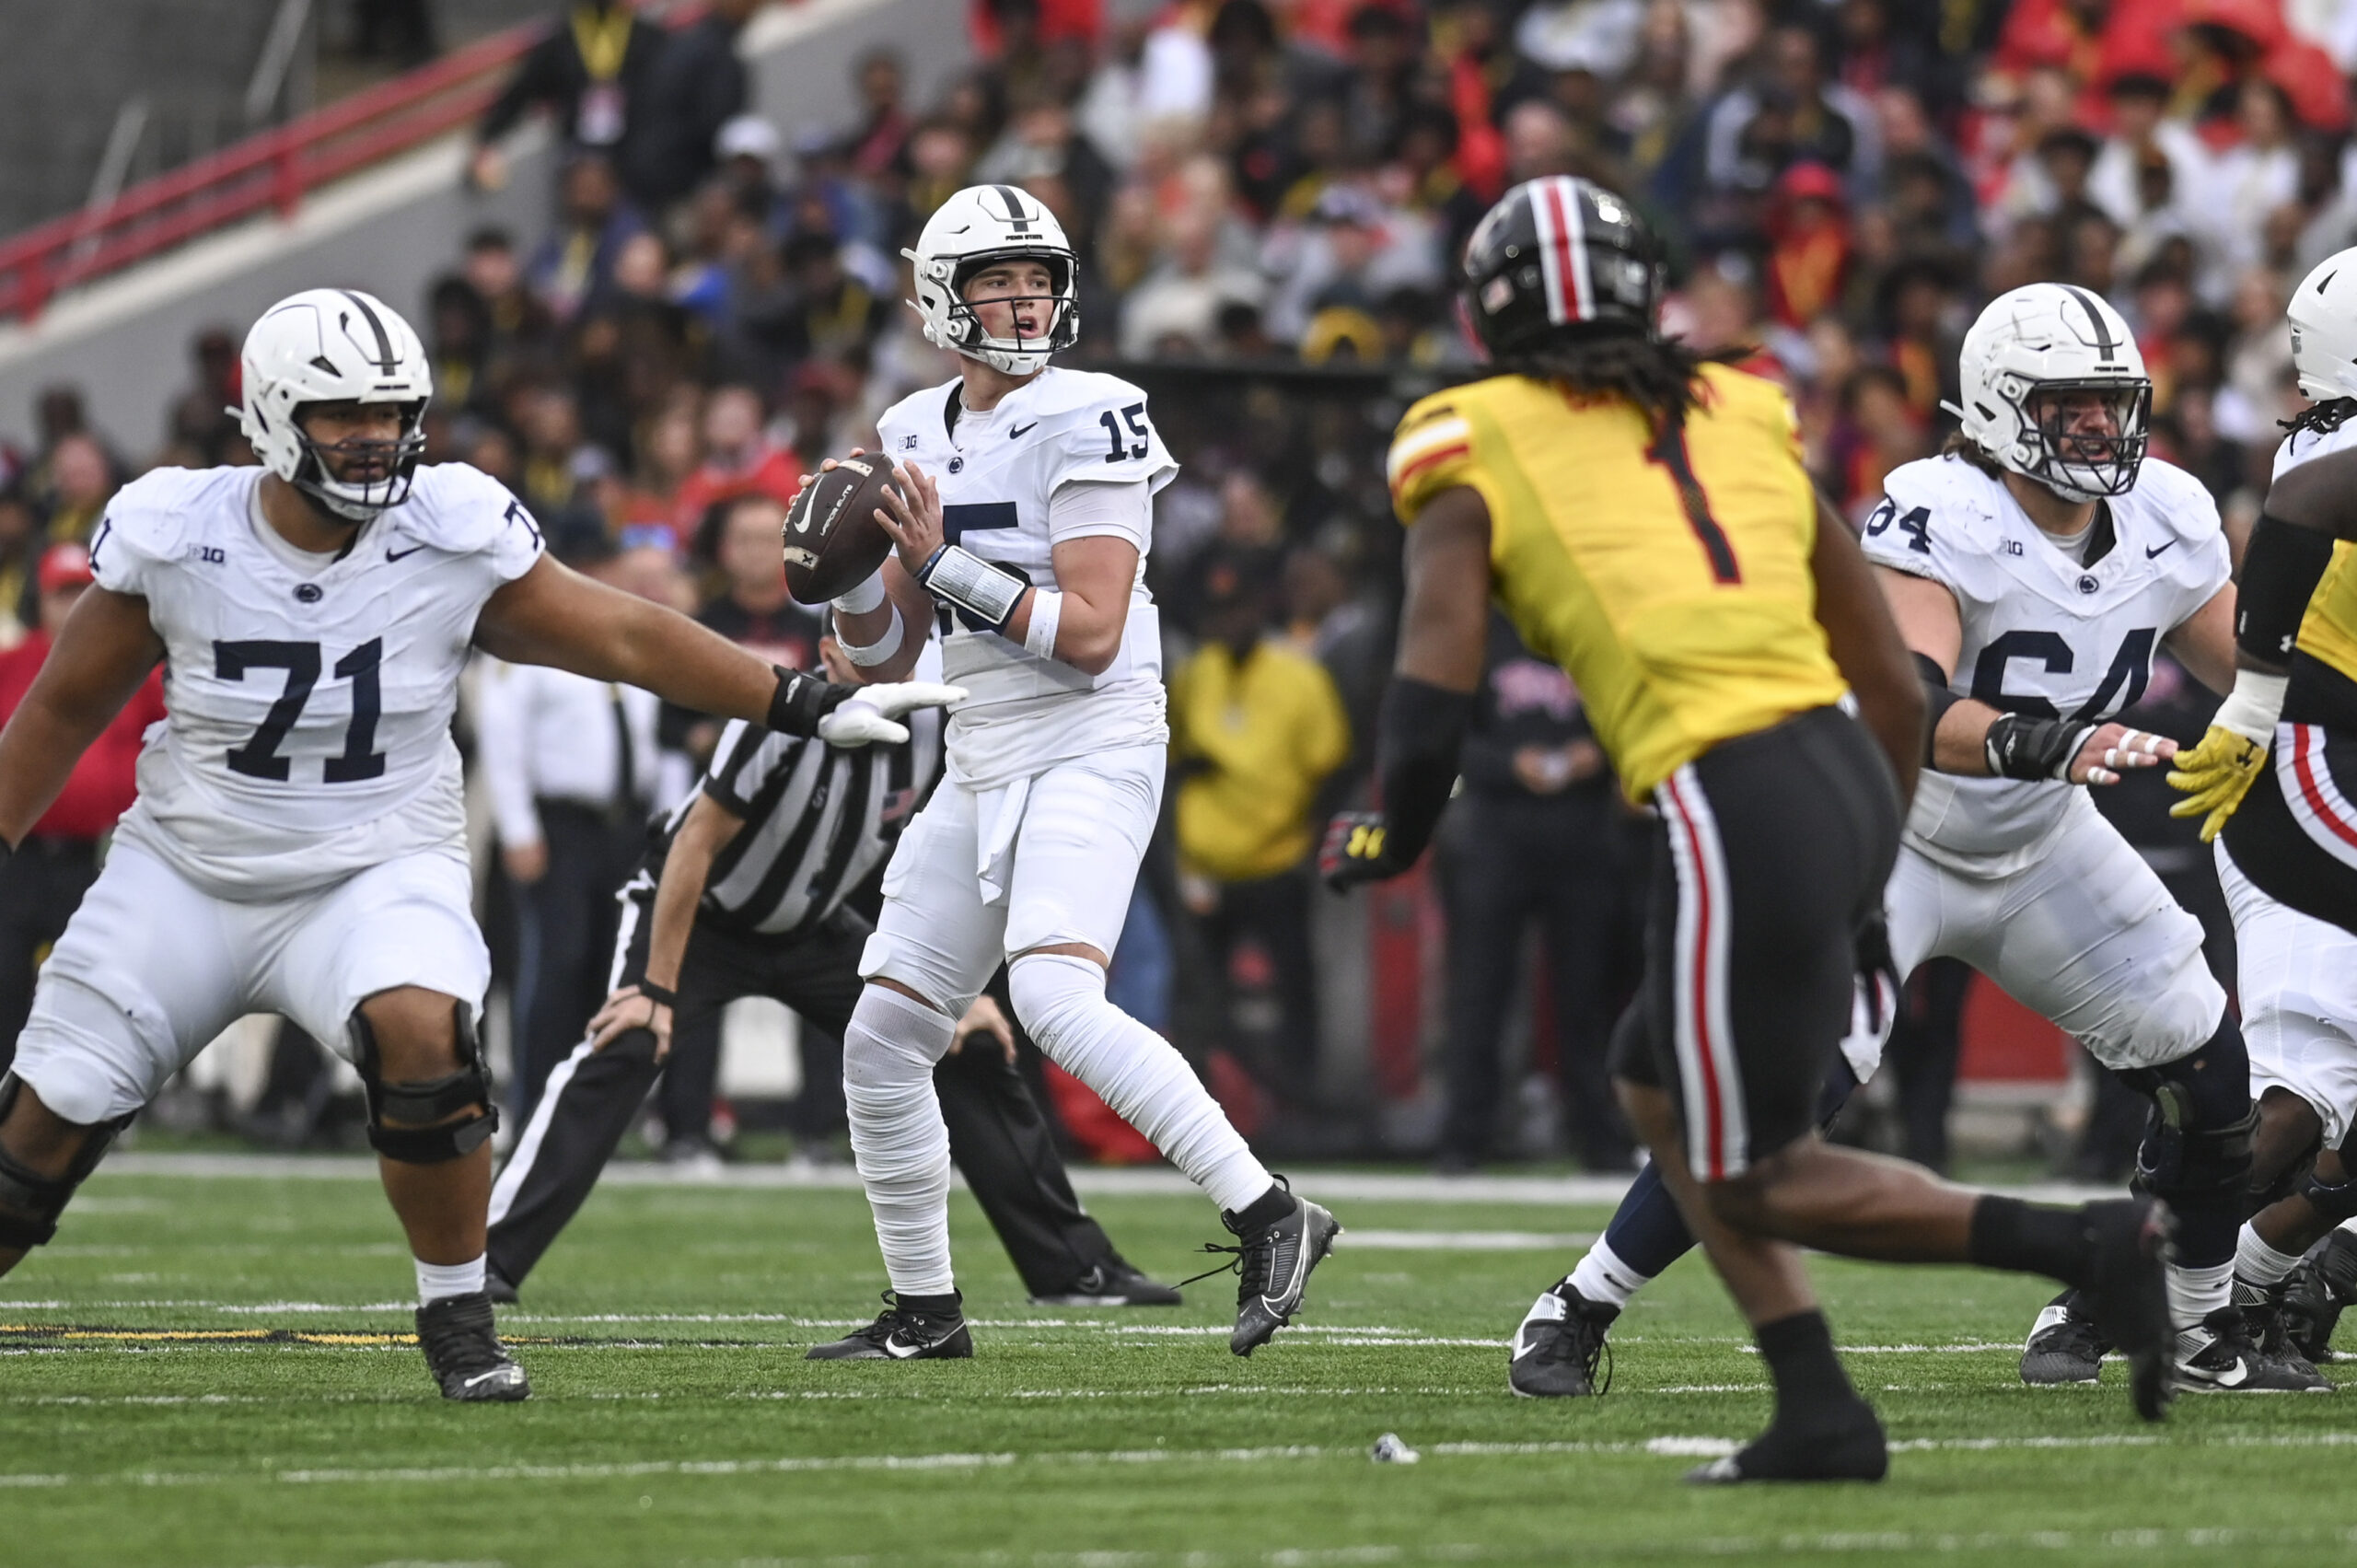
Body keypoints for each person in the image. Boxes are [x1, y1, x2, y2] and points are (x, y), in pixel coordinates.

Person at [1322, 178, 2174, 1483]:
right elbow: (1893, 685)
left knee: (1762, 1166)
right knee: (1652, 1081)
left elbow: (1431, 693)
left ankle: (2084, 1250)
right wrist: (1862, 854)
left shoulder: (1463, 431)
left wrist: (1392, 829)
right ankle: (1817, 1403)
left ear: (1487, 315)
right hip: (1839, 765)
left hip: (1732, 786)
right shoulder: (1738, 401)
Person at [0, 287, 954, 1402]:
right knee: (38, 1139)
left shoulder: (447, 524)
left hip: (373, 863)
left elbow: (624, 632)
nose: (372, 435)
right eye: (340, 412)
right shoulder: (179, 527)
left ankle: (457, 1312)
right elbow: (62, 710)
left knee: (426, 1037)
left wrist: (791, 696)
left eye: (391, 411)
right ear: (267, 414)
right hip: (187, 868)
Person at [1503, 279, 2310, 1403]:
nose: (2097, 427)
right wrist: (2054, 744)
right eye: (2067, 404)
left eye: (2109, 402)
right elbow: (1916, 707)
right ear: (1994, 408)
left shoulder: (2166, 514)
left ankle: (2178, 1319)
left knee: (2213, 1080)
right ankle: (1581, 1299)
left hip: (2037, 843)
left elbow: (2254, 668)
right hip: (1888, 835)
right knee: (1784, 1099)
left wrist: (2298, 704)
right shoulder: (1940, 511)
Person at [813, 183, 1341, 1362]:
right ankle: (924, 1308)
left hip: (1092, 735)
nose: (1023, 299)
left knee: (1053, 998)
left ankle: (1269, 1209)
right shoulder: (908, 427)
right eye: (997, 280)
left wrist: (936, 558)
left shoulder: (1095, 409)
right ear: (940, 297)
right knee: (883, 1033)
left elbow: (1094, 628)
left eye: (1037, 277)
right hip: (981, 745)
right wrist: (843, 581)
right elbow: (888, 651)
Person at [486, 637, 1181, 1308]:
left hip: (817, 923)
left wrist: (950, 990)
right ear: (827, 657)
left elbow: (928, 863)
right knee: (631, 1038)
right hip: (703, 917)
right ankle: (487, 1259)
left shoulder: (933, 729)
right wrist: (657, 990)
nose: (886, 665)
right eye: (862, 648)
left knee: (963, 1047)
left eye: (898, 647)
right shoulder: (780, 717)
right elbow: (693, 844)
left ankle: (1073, 1268)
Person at [2165, 248, 2357, 1370]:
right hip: (2306, 756)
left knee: (2324, 1094)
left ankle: (2261, 1273)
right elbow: (2298, 501)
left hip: (2316, 755)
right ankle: (2120, 1284)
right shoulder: (2329, 449)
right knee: (2299, 1098)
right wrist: (2251, 693)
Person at [1433, 611, 1631, 1173]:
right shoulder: (1485, 638)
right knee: (1478, 995)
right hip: (1496, 840)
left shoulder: (1596, 636)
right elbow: (1450, 735)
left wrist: (1599, 753)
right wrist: (1507, 763)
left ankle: (1598, 1138)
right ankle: (1464, 1140)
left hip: (1584, 844)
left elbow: (1635, 719)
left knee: (1586, 999)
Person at [476, 533, 665, 1121]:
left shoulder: (629, 633)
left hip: (625, 827)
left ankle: (595, 1111)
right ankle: (535, 1105)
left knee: (616, 970)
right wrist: (518, 828)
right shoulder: (532, 638)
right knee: (555, 965)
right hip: (561, 826)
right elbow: (501, 735)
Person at [1167, 548, 1349, 1112]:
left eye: (1239, 609)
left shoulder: (1299, 676)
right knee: (1199, 999)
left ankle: (1303, 1111)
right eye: (1220, 613)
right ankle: (1198, 1111)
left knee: (1297, 991)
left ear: (1258, 610)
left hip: (1276, 860)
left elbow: (1334, 767)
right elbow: (1173, 754)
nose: (1230, 623)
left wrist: (1311, 842)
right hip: (1207, 870)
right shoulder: (1196, 674)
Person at [0, 544, 166, 1073]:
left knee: (96, 978)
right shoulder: (12, 666)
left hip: (96, 856)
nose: (71, 606)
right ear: (41, 601)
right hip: (20, 853)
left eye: (81, 593)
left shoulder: (133, 666)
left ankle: (88, 1087)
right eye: (62, 594)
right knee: (5, 978)